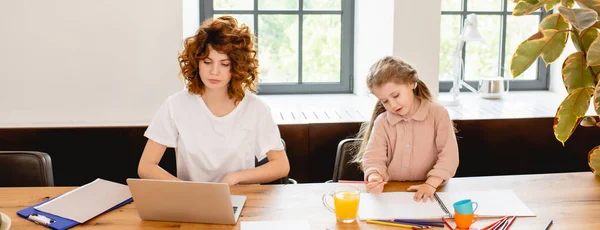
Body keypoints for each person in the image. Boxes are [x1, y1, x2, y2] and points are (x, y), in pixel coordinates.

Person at [138, 16, 290, 185]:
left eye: (224, 64)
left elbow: (281, 165)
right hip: (192, 203)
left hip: (241, 199)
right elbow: (146, 166)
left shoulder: (255, 108)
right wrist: (186, 190)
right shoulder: (175, 106)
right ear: (197, 62)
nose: (214, 71)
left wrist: (235, 177)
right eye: (207, 62)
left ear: (237, 67)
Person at [353, 56, 459, 202]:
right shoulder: (382, 122)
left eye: (396, 95)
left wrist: (430, 184)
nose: (392, 104)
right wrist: (374, 176)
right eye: (384, 101)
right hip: (392, 193)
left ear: (411, 83)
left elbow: (449, 157)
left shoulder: (438, 114)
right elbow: (373, 159)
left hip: (432, 191)